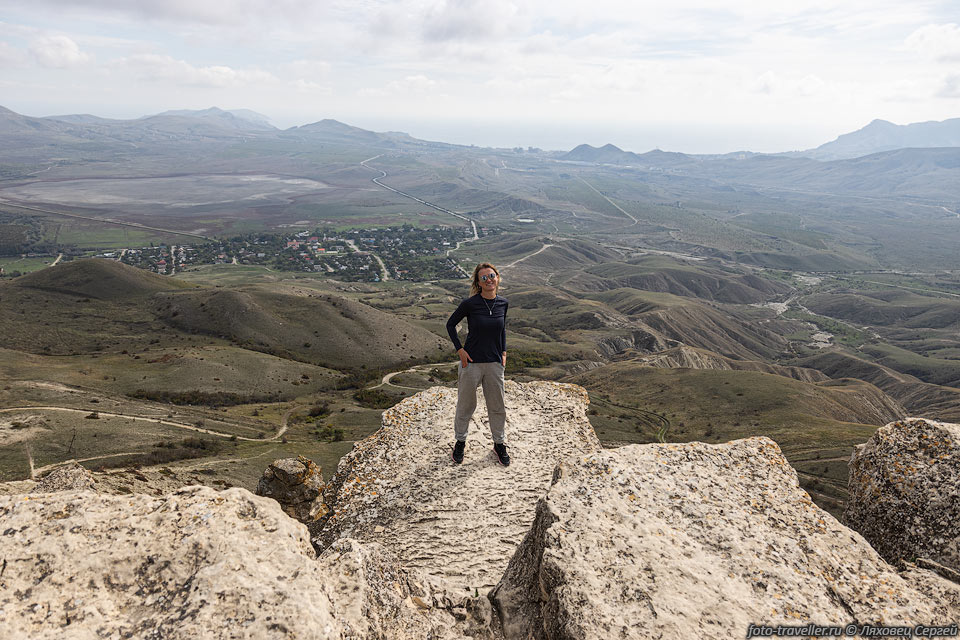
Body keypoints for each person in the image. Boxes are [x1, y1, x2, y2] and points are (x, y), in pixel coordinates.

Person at [445, 262, 510, 466]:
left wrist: (504, 352)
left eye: (492, 276)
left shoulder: (503, 303)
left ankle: (499, 444)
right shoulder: (470, 304)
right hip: (471, 363)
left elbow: (502, 330)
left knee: (497, 406)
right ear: (478, 282)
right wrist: (460, 350)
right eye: (484, 278)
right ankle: (460, 442)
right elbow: (450, 324)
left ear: (497, 277)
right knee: (466, 405)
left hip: (494, 363)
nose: (489, 280)